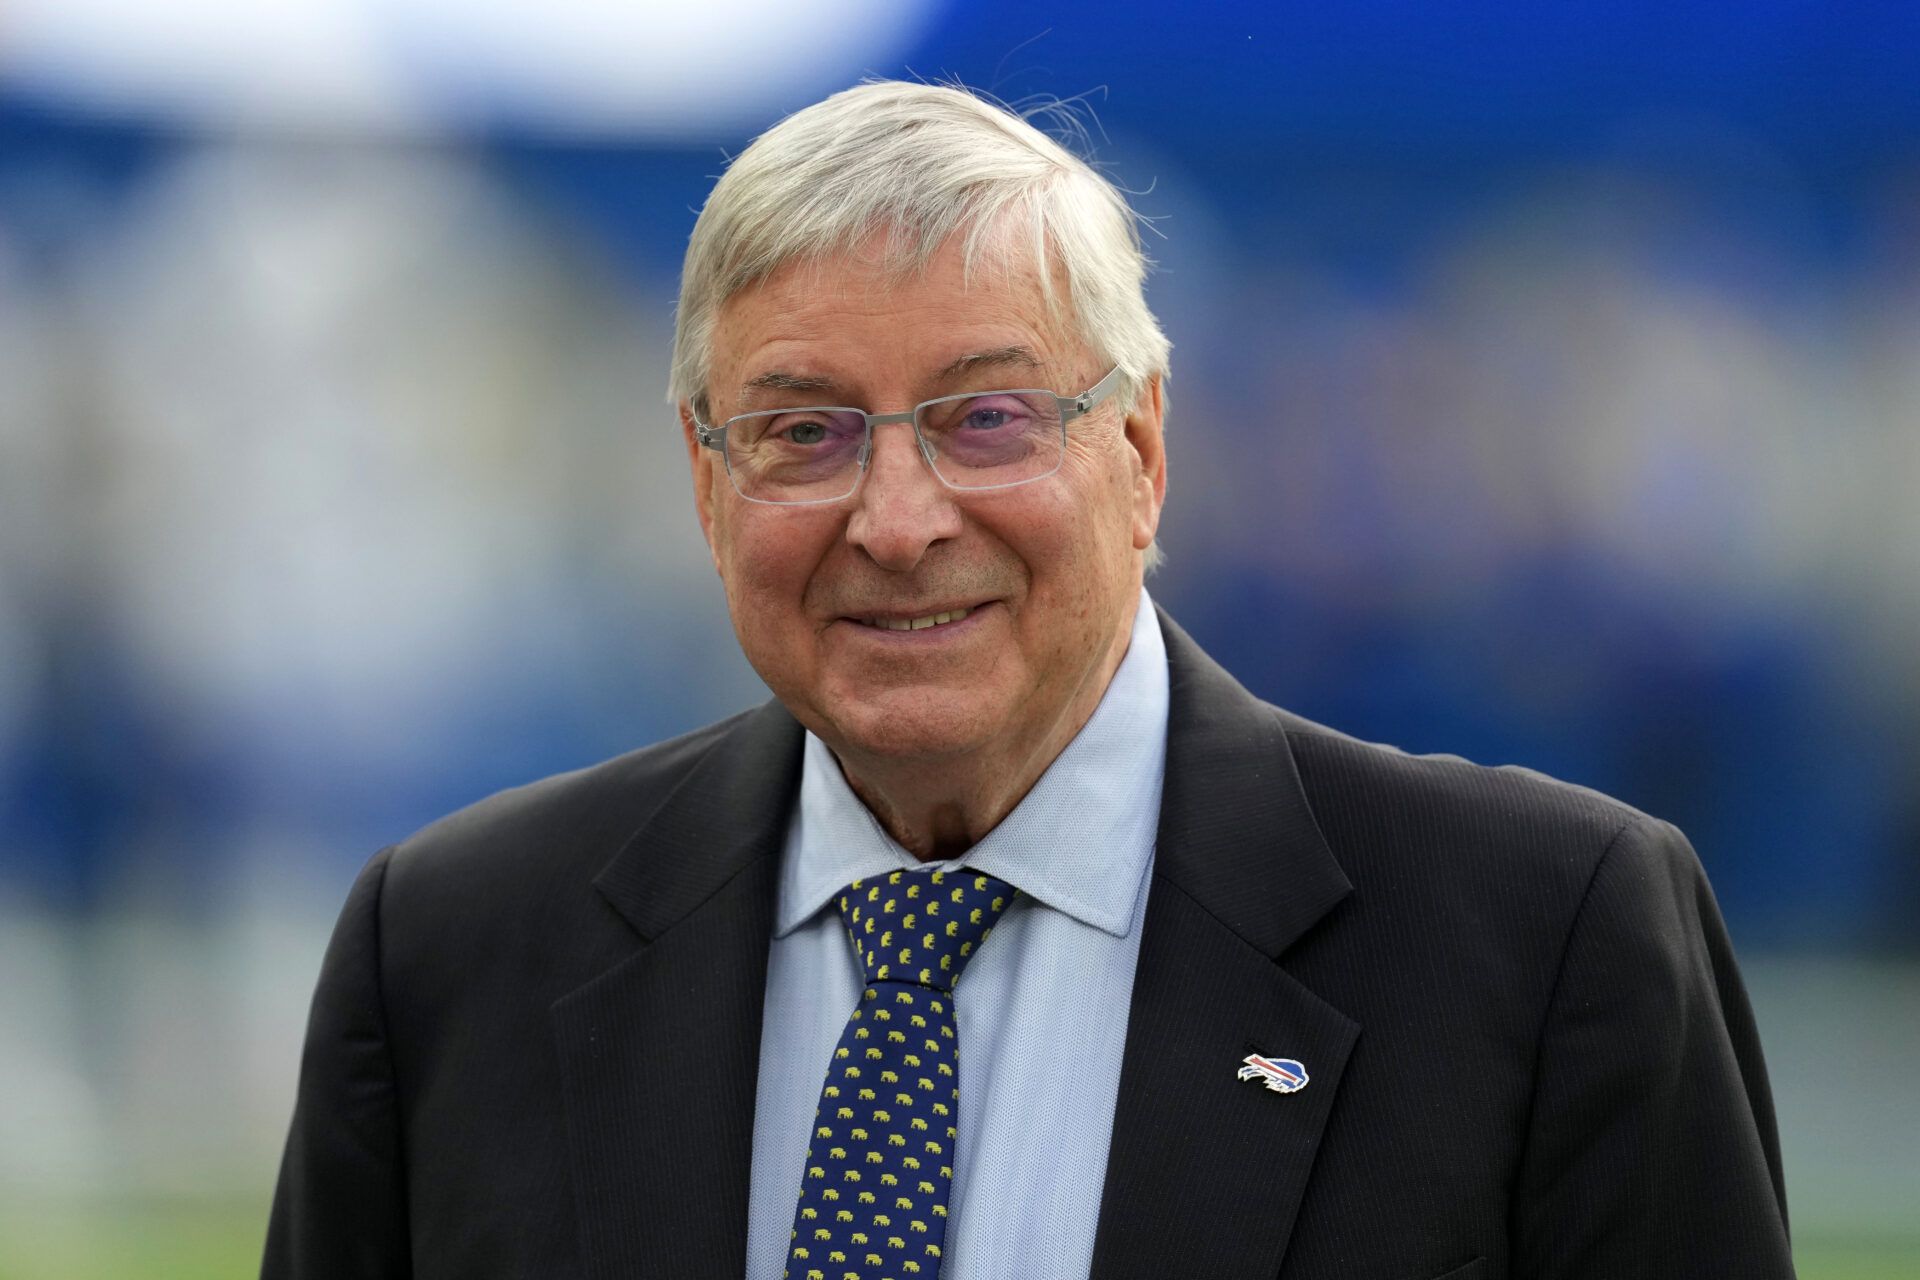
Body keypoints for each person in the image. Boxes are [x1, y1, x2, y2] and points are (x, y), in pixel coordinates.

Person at [262, 81, 1794, 1280]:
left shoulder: (1545, 939)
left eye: (987, 417)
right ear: (706, 482)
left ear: (1142, 453)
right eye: (804, 432)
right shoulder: (451, 956)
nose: (898, 520)